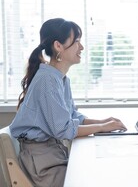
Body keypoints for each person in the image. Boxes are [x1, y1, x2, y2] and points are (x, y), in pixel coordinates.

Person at [10, 18, 127, 187]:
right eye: (77, 41)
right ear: (58, 46)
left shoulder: (60, 79)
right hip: (43, 163)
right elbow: (63, 129)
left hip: (52, 154)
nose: (82, 47)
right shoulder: (47, 80)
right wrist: (102, 128)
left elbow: (72, 116)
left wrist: (104, 122)